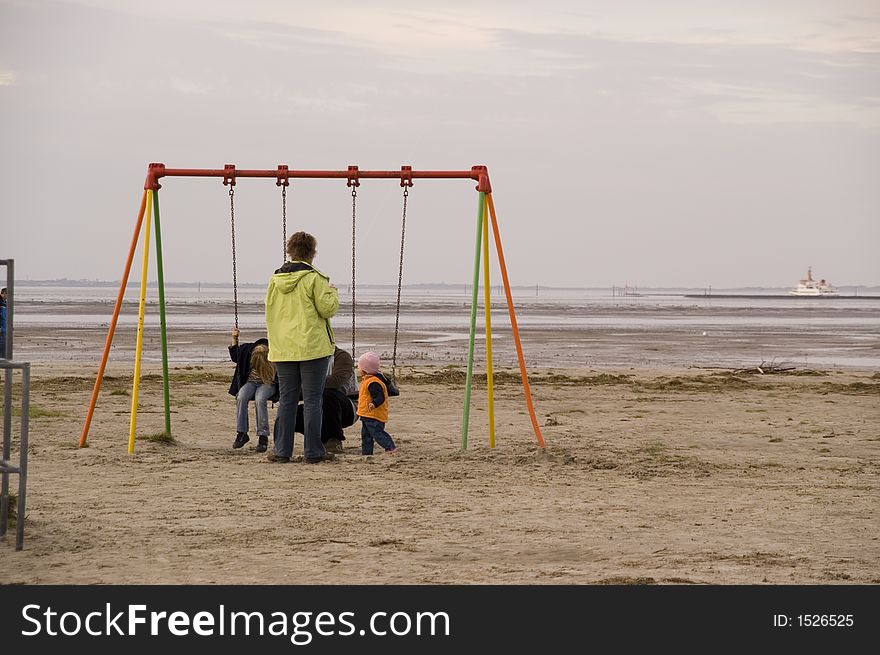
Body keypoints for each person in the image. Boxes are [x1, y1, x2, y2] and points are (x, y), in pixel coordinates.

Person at [265, 231, 339, 464]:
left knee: (287, 399)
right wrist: (333, 293)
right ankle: (313, 451)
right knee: (312, 400)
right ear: (312, 253)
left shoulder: (275, 280)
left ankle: (281, 450)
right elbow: (327, 309)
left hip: (284, 347)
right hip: (312, 347)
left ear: (290, 251)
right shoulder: (314, 278)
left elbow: (270, 312)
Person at [292, 346, 359, 453]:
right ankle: (283, 445)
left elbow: (336, 381)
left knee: (327, 395)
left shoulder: (341, 356)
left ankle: (334, 440)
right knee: (288, 412)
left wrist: (308, 385)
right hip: (317, 403)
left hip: (347, 406)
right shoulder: (308, 358)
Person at [228, 329, 278, 453]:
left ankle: (263, 436)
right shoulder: (247, 351)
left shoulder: (276, 353)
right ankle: (242, 433)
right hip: (251, 382)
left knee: (260, 399)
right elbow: (235, 356)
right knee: (241, 396)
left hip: (267, 383)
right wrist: (234, 339)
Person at [356, 351, 399, 455]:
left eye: (359, 367)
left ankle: (390, 447)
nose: (358, 369)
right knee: (366, 436)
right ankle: (366, 453)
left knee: (377, 433)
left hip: (374, 415)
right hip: (366, 414)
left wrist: (374, 404)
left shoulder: (373, 382)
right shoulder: (367, 380)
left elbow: (380, 397)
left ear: (365, 370)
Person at [0, 287, 6, 358]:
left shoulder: (5, 303)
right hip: (2, 329)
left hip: (5, 328)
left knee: (4, 345)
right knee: (2, 345)